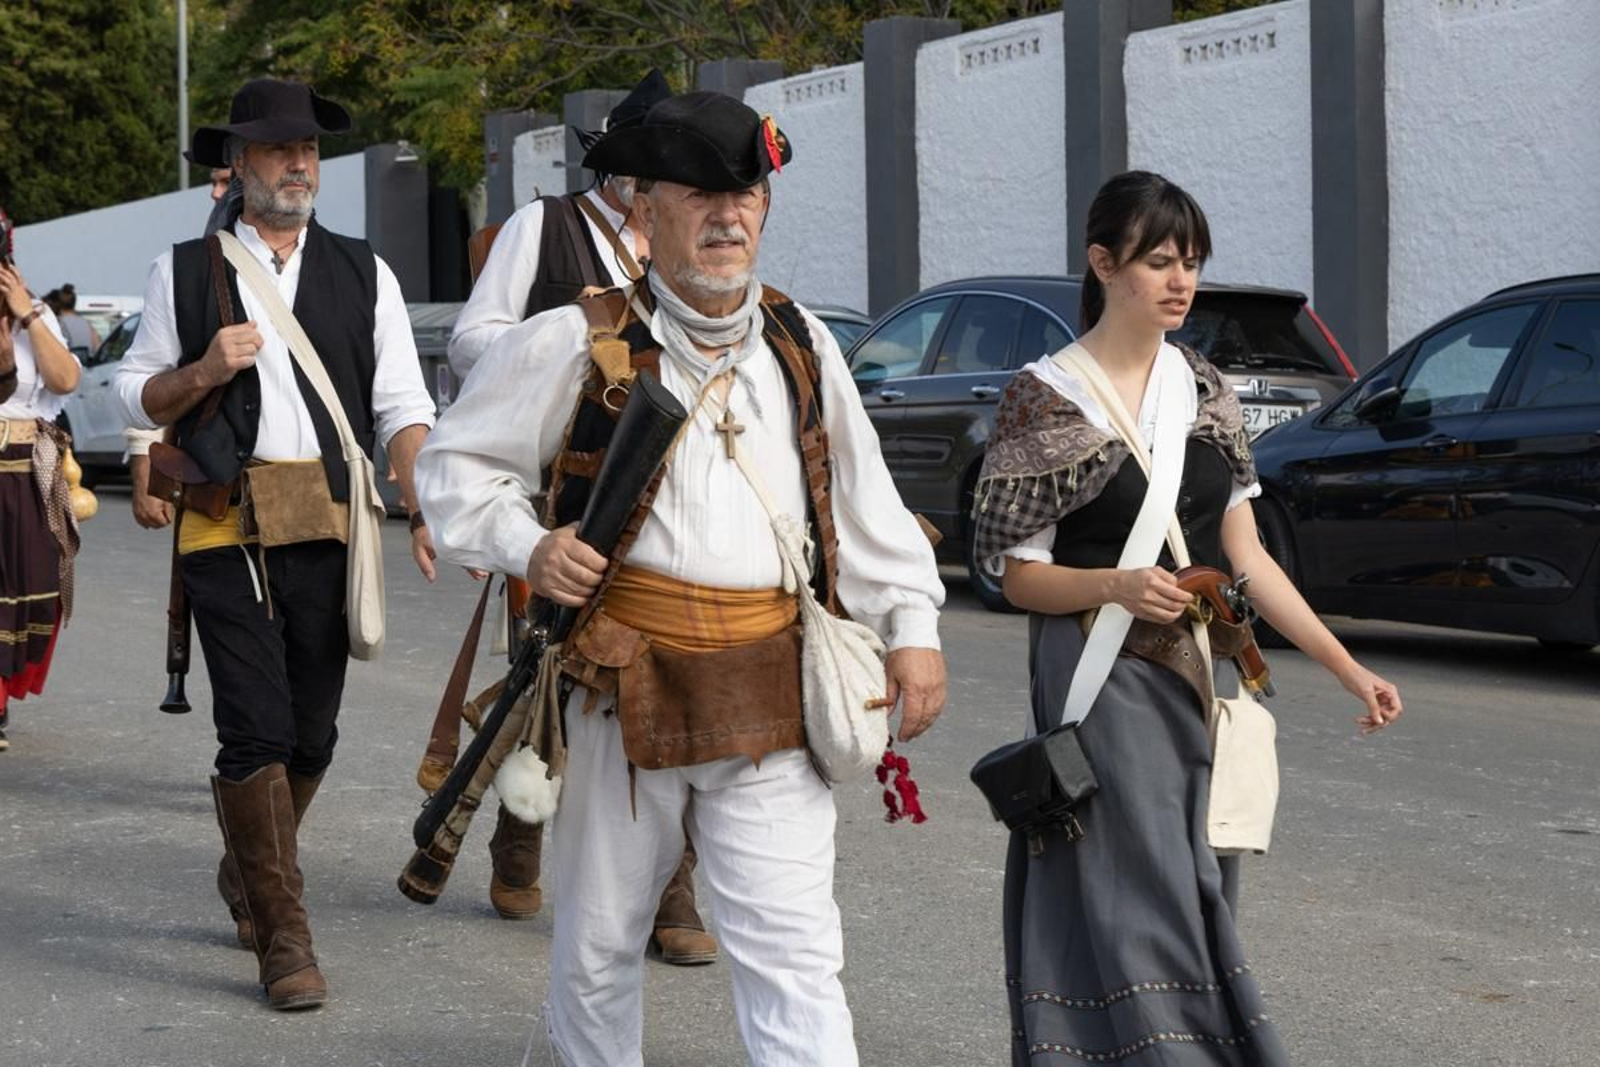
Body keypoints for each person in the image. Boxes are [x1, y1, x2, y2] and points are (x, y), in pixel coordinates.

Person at [416, 92, 948, 1066]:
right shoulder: (576, 340)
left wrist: (911, 624)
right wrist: (526, 543)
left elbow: (865, 506)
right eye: (699, 193)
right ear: (644, 210)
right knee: (597, 943)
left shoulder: (802, 344)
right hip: (623, 685)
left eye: (743, 192)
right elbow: (452, 468)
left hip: (768, 687)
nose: (726, 213)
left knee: (795, 954)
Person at [974, 170, 1403, 1065]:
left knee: (1193, 878)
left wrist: (1345, 665)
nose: (1180, 281)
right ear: (1102, 262)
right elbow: (1018, 577)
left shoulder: (1204, 388)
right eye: (1158, 260)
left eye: (1192, 262)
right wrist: (1115, 587)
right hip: (1097, 677)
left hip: (1193, 673)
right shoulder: (1044, 395)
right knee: (1144, 891)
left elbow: (1248, 561)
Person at [113, 78, 438, 1011]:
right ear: (239, 165)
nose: (300, 162)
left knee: (313, 731)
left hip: (328, 520)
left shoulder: (365, 270)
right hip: (221, 519)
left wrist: (421, 497)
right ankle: (283, 936)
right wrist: (203, 369)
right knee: (252, 726)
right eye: (279, 148)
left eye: (309, 149)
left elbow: (402, 410)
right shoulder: (182, 269)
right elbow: (131, 394)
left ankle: (249, 871)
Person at [443, 69, 717, 964]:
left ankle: (674, 891)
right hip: (568, 491)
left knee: (670, 678)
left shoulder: (687, 250)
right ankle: (520, 830)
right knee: (552, 672)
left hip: (670, 497)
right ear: (627, 171)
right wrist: (572, 342)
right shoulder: (544, 227)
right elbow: (472, 339)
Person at [446, 69, 668, 379]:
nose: (646, 170)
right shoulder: (542, 223)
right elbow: (465, 347)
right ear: (613, 156)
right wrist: (568, 327)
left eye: (661, 162)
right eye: (635, 154)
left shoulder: (679, 238)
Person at [0, 207, 83, 754]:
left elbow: (67, 379)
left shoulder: (38, 314)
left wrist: (25, 316)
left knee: (32, 588)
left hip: (31, 470)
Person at [125, 158, 241, 532]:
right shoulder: (192, 263)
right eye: (215, 182)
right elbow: (155, 372)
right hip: (209, 474)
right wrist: (146, 467)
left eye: (224, 182)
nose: (215, 193)